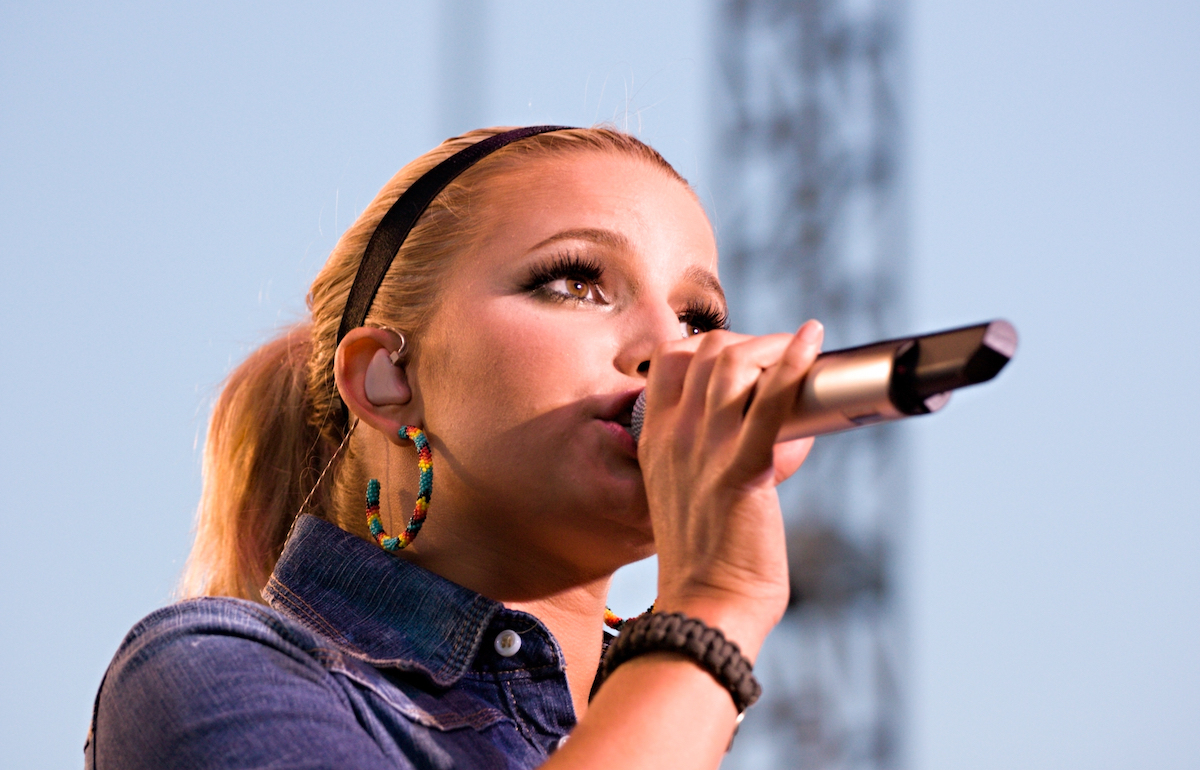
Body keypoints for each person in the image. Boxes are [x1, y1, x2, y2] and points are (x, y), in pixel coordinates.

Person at [85, 126, 825, 769]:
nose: (671, 350)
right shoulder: (211, 671)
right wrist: (708, 612)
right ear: (384, 378)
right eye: (574, 280)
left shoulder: (667, 719)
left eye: (698, 318)